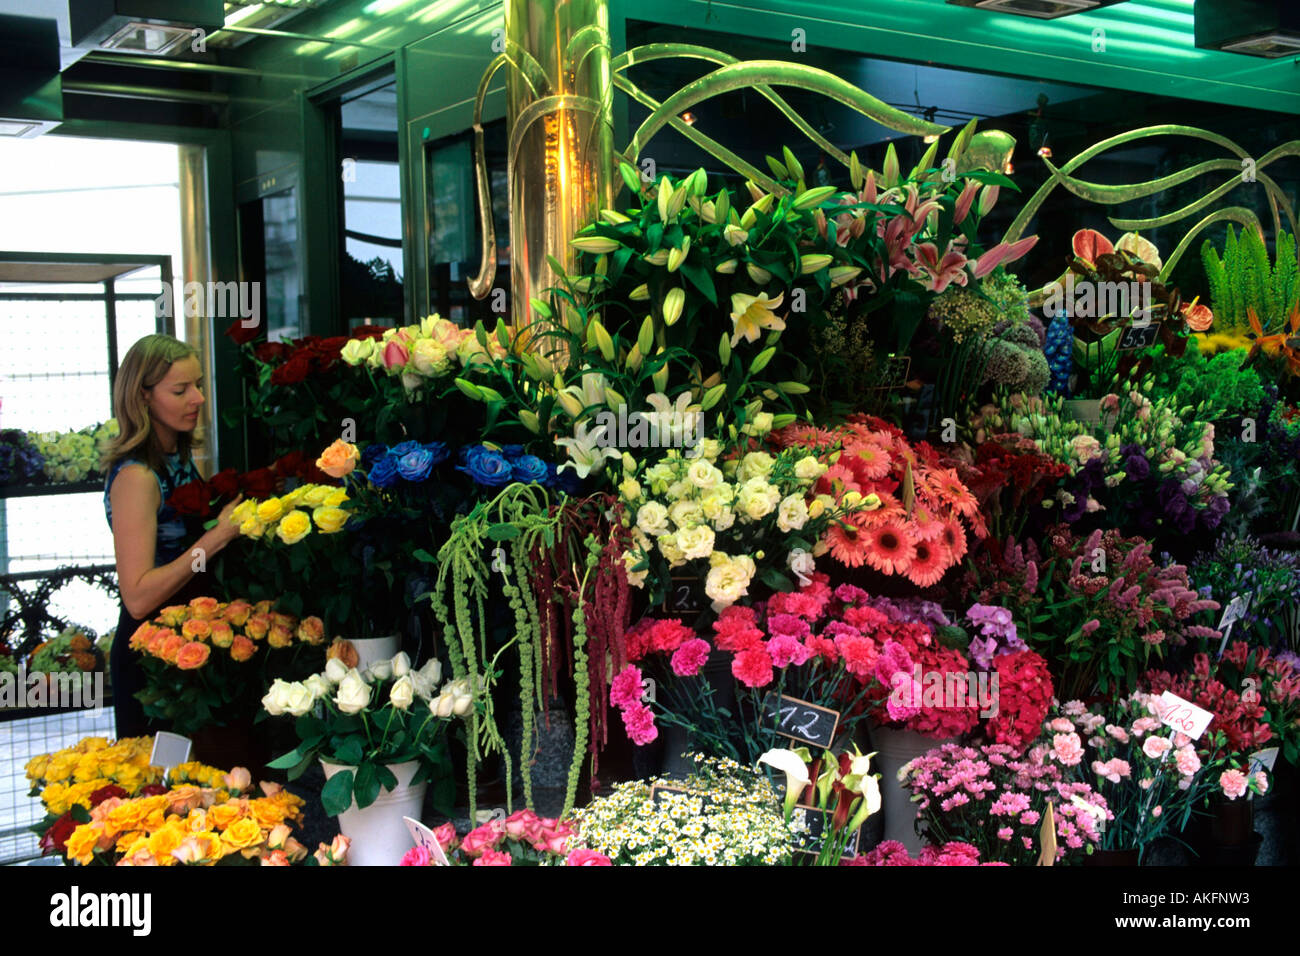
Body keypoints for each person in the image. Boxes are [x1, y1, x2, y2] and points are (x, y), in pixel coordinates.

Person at [101, 334, 243, 737]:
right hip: (152, 665)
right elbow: (139, 595)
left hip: (183, 651)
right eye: (180, 390)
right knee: (163, 793)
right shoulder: (137, 478)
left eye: (198, 385)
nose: (197, 398)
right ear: (142, 397)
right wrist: (218, 538)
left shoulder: (173, 460)